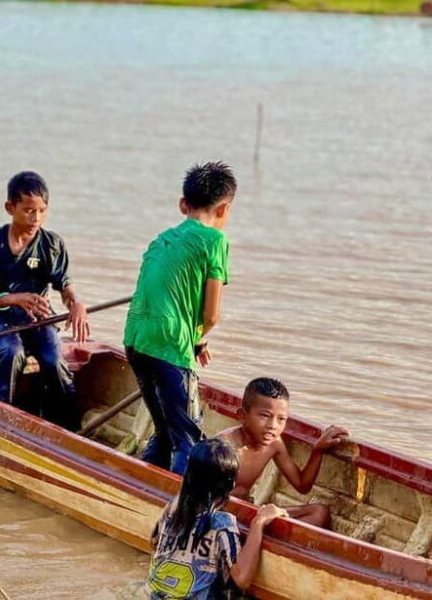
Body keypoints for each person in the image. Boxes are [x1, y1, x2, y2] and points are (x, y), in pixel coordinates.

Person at [124, 161, 236, 475]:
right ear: (224, 209)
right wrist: (196, 338)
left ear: (183, 204)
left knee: (165, 429)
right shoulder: (215, 241)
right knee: (188, 438)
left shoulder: (160, 239)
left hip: (135, 339)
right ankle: (180, 512)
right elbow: (212, 315)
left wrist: (194, 339)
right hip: (170, 344)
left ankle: (141, 486)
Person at [0, 171, 89, 430]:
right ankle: (2, 422)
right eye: (28, 210)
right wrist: (15, 299)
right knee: (11, 353)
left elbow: (65, 286)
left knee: (53, 359)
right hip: (3, 319)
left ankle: (69, 427)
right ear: (9, 207)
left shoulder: (52, 244)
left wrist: (77, 303)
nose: (35, 218)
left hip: (40, 319)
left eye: (41, 211)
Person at [147, 438, 286, 599]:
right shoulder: (222, 523)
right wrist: (258, 522)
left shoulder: (173, 508)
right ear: (232, 483)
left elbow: (154, 543)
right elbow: (242, 579)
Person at [217, 378, 349, 528]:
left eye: (281, 419)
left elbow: (302, 485)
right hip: (222, 517)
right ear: (242, 416)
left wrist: (317, 451)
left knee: (319, 513)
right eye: (265, 416)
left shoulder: (274, 443)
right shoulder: (223, 447)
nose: (273, 426)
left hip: (250, 514)